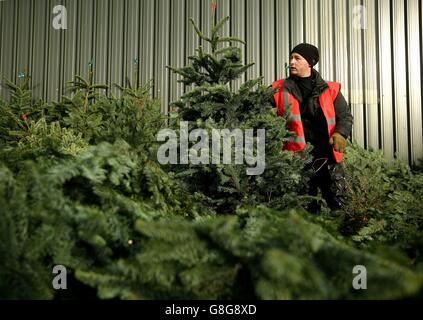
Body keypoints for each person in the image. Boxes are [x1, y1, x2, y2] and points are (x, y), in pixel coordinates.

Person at [271, 43, 353, 212]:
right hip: (296, 159)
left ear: (310, 62)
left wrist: (341, 133)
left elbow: (345, 116)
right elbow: (255, 105)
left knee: (340, 205)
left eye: (297, 58)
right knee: (304, 208)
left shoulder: (330, 90)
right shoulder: (279, 88)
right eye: (291, 58)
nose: (291, 62)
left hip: (327, 157)